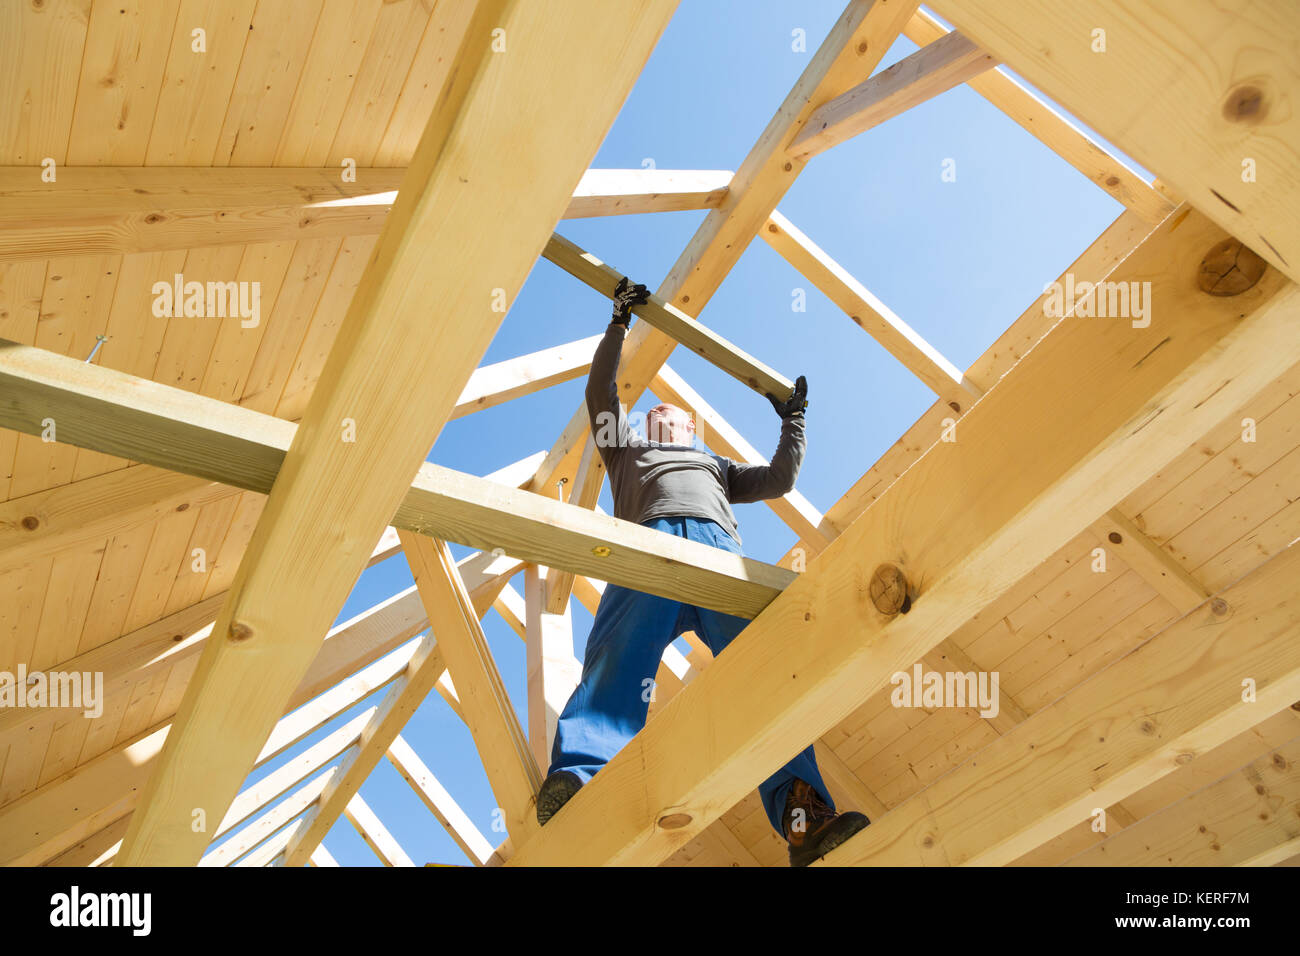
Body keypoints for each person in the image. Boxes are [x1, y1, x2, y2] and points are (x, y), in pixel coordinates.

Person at [535, 277, 869, 866]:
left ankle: (802, 815)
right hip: (651, 549)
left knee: (764, 680)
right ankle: (582, 782)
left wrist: (794, 420)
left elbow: (780, 479)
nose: (665, 416)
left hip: (720, 557)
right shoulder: (625, 451)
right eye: (656, 412)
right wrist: (619, 323)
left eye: (677, 417)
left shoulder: (714, 465)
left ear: (691, 432)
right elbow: (601, 394)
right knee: (614, 665)